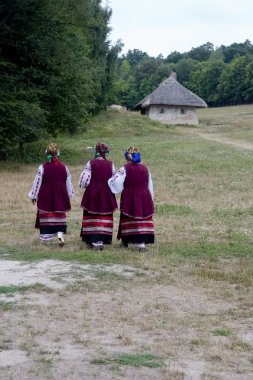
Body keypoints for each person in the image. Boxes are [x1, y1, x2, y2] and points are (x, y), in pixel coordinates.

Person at [108, 146, 155, 251]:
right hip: (144, 196)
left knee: (129, 217)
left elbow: (116, 182)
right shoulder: (145, 169)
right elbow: (149, 185)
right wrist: (150, 199)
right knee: (142, 217)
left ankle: (128, 240)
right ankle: (141, 242)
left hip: (130, 197)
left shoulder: (125, 169)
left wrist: (110, 182)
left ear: (127, 158)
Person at [28, 143, 74, 246]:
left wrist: (34, 195)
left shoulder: (42, 167)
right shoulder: (64, 167)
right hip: (60, 195)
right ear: (57, 153)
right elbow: (68, 182)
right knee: (59, 215)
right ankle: (60, 235)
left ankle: (46, 238)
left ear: (47, 153)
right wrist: (69, 194)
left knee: (47, 215)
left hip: (46, 195)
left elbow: (37, 182)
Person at [79, 142, 117, 250]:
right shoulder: (110, 164)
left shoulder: (91, 163)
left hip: (93, 192)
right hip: (106, 192)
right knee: (104, 215)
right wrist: (113, 190)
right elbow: (114, 179)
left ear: (96, 151)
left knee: (92, 215)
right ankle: (101, 239)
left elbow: (85, 179)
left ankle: (93, 240)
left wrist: (83, 185)